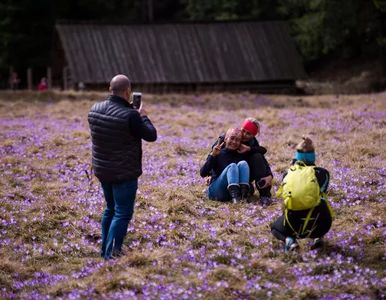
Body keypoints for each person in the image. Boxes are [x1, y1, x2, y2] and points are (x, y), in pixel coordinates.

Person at [88, 74, 157, 260]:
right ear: (128, 92)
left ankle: (105, 249)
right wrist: (143, 117)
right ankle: (111, 254)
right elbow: (151, 135)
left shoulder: (94, 109)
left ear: (110, 90)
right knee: (122, 213)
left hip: (103, 170)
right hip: (124, 173)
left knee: (110, 208)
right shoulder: (130, 116)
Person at [270, 136, 334, 253]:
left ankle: (290, 240)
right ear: (313, 156)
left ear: (296, 157)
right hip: (320, 223)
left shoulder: (287, 174)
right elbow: (322, 192)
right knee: (321, 205)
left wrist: (292, 169)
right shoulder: (323, 173)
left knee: (274, 227)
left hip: (294, 225)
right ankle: (318, 238)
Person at [209, 117, 273, 197]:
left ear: (253, 136)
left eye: (248, 134)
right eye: (243, 130)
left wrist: (270, 175)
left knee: (257, 156)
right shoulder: (228, 137)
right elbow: (212, 155)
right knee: (249, 190)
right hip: (225, 173)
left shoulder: (252, 142)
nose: (244, 135)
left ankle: (264, 194)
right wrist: (210, 174)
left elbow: (262, 157)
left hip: (243, 172)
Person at [200, 127, 250, 203]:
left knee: (244, 164)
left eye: (237, 140)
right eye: (232, 138)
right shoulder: (218, 153)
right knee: (232, 166)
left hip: (229, 195)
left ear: (240, 143)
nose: (234, 142)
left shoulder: (240, 155)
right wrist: (213, 155)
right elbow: (203, 173)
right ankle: (235, 199)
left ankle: (243, 197)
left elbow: (262, 150)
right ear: (226, 139)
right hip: (216, 192)